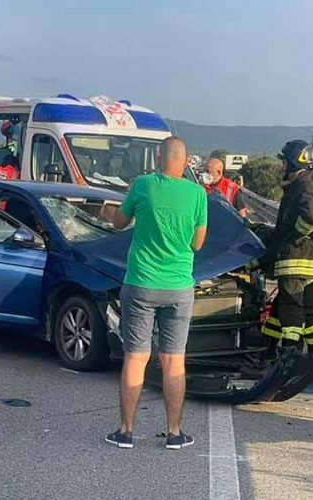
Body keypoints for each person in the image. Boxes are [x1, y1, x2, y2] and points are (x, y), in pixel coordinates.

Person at [106, 136, 207, 450]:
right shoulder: (197, 193)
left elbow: (120, 221)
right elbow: (197, 244)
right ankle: (175, 433)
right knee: (174, 361)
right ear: (186, 161)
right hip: (178, 286)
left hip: (141, 283)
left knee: (136, 358)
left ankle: (126, 431)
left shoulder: (143, 185)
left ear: (158, 158)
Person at [257, 140, 313, 358]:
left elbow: (309, 218)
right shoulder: (296, 187)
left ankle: (289, 354)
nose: (281, 167)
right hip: (304, 260)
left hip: (299, 260)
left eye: (284, 162)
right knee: (284, 308)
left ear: (293, 163)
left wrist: (293, 237)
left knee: (292, 310)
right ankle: (280, 350)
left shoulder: (304, 188)